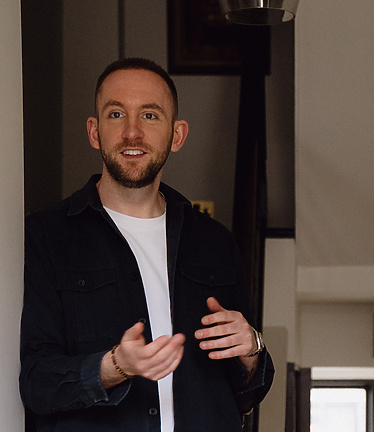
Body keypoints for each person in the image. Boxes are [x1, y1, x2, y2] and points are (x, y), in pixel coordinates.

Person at [20, 57, 274, 432]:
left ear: (177, 135)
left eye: (150, 116)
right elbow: (36, 383)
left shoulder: (215, 241)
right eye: (116, 114)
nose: (133, 133)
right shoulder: (46, 235)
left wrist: (251, 350)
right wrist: (115, 366)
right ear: (94, 131)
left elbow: (247, 393)